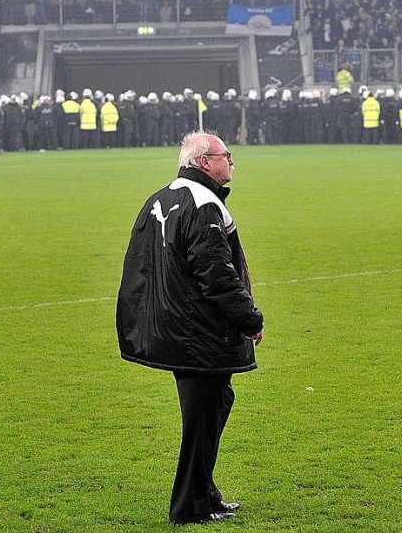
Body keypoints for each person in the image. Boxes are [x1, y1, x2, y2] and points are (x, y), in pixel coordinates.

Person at [116, 132, 264, 526]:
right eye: (225, 156)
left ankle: (205, 493)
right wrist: (250, 318)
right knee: (201, 419)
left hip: (174, 329)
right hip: (198, 333)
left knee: (214, 407)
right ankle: (189, 507)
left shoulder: (160, 198)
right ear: (203, 162)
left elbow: (142, 270)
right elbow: (216, 275)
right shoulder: (202, 204)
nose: (231, 162)